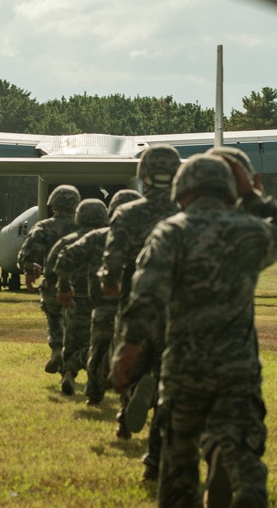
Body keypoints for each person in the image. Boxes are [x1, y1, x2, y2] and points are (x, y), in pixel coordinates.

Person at [112, 153, 277, 508]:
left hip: (185, 366)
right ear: (230, 189)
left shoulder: (171, 232)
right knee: (241, 446)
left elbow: (146, 294)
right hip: (238, 364)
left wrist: (129, 349)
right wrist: (255, 197)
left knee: (179, 459)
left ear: (182, 189)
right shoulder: (250, 230)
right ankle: (250, 490)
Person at [99, 144, 181, 480]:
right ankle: (155, 460)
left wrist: (110, 282)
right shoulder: (186, 212)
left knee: (131, 359)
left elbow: (113, 257)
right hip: (178, 305)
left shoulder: (127, 212)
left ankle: (127, 411)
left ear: (142, 176)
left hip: (136, 301)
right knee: (169, 376)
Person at [55, 189, 143, 406]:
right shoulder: (156, 236)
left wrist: (64, 288)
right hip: (142, 308)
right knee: (144, 355)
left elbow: (64, 260)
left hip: (105, 306)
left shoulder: (98, 237)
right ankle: (138, 392)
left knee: (99, 352)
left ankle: (94, 396)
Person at [44, 198, 109, 395]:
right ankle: (94, 384)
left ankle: (69, 374)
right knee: (98, 344)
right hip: (104, 300)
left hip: (74, 300)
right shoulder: (112, 238)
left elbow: (52, 268)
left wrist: (59, 290)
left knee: (72, 341)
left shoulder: (69, 240)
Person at [16, 184, 80, 374]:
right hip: (81, 285)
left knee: (54, 317)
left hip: (53, 282)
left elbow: (28, 252)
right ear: (76, 205)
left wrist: (29, 269)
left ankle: (57, 350)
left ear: (53, 205)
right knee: (78, 324)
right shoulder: (85, 227)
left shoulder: (44, 226)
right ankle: (71, 367)